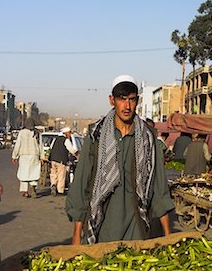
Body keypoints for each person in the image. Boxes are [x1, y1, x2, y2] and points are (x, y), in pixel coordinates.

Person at [66, 75, 174, 245]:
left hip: (137, 226)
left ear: (137, 101)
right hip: (103, 226)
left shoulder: (148, 137)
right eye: (122, 99)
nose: (127, 106)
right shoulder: (96, 135)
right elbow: (81, 182)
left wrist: (169, 237)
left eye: (131, 100)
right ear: (112, 100)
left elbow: (159, 188)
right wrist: (76, 234)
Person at [12, 117, 42, 198]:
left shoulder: (22, 132)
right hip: (34, 155)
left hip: (24, 155)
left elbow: (18, 144)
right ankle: (33, 187)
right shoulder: (37, 132)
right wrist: (42, 157)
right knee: (33, 172)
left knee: (24, 173)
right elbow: (40, 145)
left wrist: (14, 156)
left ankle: (25, 192)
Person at [49, 127, 78, 196]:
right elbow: (71, 149)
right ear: (66, 133)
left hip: (53, 159)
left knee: (53, 174)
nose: (70, 135)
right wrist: (76, 153)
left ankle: (53, 185)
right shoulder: (66, 140)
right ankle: (60, 191)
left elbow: (51, 148)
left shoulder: (56, 139)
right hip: (61, 160)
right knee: (61, 175)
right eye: (69, 133)